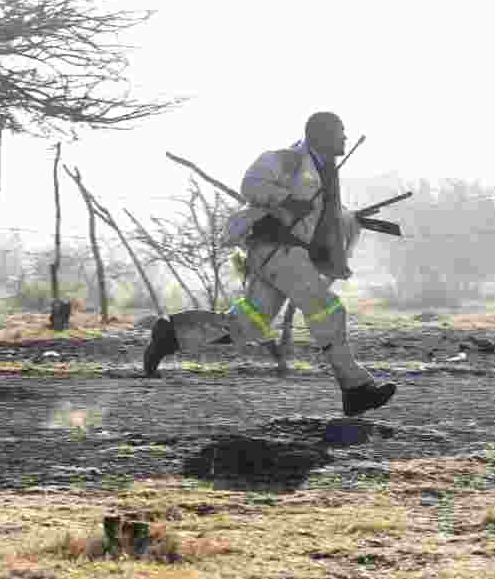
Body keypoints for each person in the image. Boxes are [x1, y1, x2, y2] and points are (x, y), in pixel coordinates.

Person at [143, 111, 397, 418]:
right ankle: (356, 389)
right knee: (327, 309)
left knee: (248, 326)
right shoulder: (286, 160)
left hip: (286, 256)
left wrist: (352, 219)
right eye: (339, 132)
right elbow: (250, 185)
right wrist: (286, 200)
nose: (344, 138)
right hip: (277, 250)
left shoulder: (326, 172)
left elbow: (326, 216)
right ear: (319, 134)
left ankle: (172, 335)